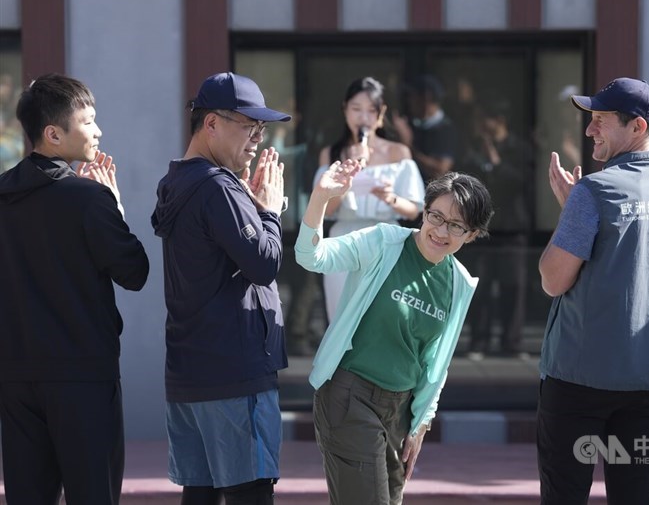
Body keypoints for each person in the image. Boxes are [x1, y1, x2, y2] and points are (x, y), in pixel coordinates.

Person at [537, 77, 649, 504]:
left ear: (637, 127)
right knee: (635, 494)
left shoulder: (594, 190)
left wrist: (569, 214)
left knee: (564, 494)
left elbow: (553, 279)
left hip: (579, 379)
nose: (590, 130)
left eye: (601, 121)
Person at [295, 163, 493, 505]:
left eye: (457, 226)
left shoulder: (459, 282)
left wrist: (421, 422)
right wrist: (321, 199)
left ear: (472, 234)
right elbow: (310, 256)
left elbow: (435, 361)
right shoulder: (383, 243)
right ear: (424, 212)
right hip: (350, 396)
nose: (441, 231)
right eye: (436, 217)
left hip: (399, 412)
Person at [0, 73, 149, 504]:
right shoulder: (88, 199)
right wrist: (115, 206)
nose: (98, 130)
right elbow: (135, 272)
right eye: (87, 120)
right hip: (83, 376)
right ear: (53, 133)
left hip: (15, 375)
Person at [151, 72, 290, 505]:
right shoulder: (216, 186)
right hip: (235, 374)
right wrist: (267, 211)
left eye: (261, 129)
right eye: (248, 126)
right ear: (211, 123)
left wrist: (250, 206)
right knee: (251, 493)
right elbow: (264, 263)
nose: (257, 139)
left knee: (201, 493)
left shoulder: (179, 181)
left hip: (191, 374)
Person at [316, 76, 425, 322]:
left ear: (380, 112)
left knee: (384, 317)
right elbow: (325, 209)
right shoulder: (331, 153)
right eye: (356, 109)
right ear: (345, 110)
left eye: (370, 110)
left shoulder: (398, 152)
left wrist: (390, 198)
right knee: (343, 317)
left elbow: (413, 211)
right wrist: (349, 174)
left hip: (386, 238)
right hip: (343, 240)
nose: (363, 118)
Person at [460, 100, 533, 359]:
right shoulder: (473, 149)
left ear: (498, 120)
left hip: (511, 228)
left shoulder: (518, 148)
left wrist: (495, 160)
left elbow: (519, 182)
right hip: (481, 227)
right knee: (479, 285)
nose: (481, 127)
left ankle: (511, 343)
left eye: (485, 121)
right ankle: (478, 341)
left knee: (512, 287)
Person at [394, 74, 458, 182]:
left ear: (426, 99)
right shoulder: (412, 124)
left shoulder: (446, 130)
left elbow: (440, 170)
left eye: (412, 96)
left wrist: (407, 145)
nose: (409, 101)